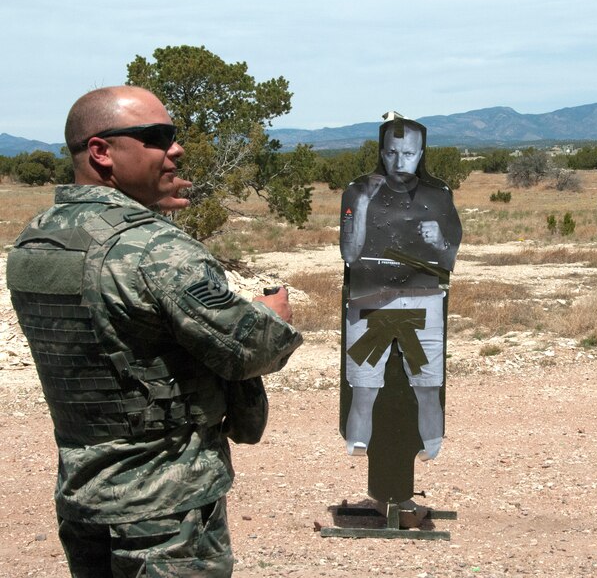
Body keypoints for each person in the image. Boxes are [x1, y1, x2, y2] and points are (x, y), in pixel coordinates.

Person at [5, 85, 302, 577]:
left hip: (85, 496)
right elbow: (251, 349)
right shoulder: (155, 250)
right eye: (157, 137)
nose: (177, 149)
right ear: (101, 151)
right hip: (166, 508)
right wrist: (272, 314)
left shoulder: (35, 240)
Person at [340, 112, 461, 461]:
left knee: (427, 386)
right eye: (392, 152)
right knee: (363, 388)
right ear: (382, 150)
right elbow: (350, 253)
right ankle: (360, 449)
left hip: (421, 301)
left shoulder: (438, 195)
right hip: (370, 301)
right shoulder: (358, 191)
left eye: (408, 153)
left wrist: (439, 241)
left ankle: (431, 446)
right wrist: (362, 206)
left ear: (421, 153)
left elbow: (449, 258)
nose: (400, 161)